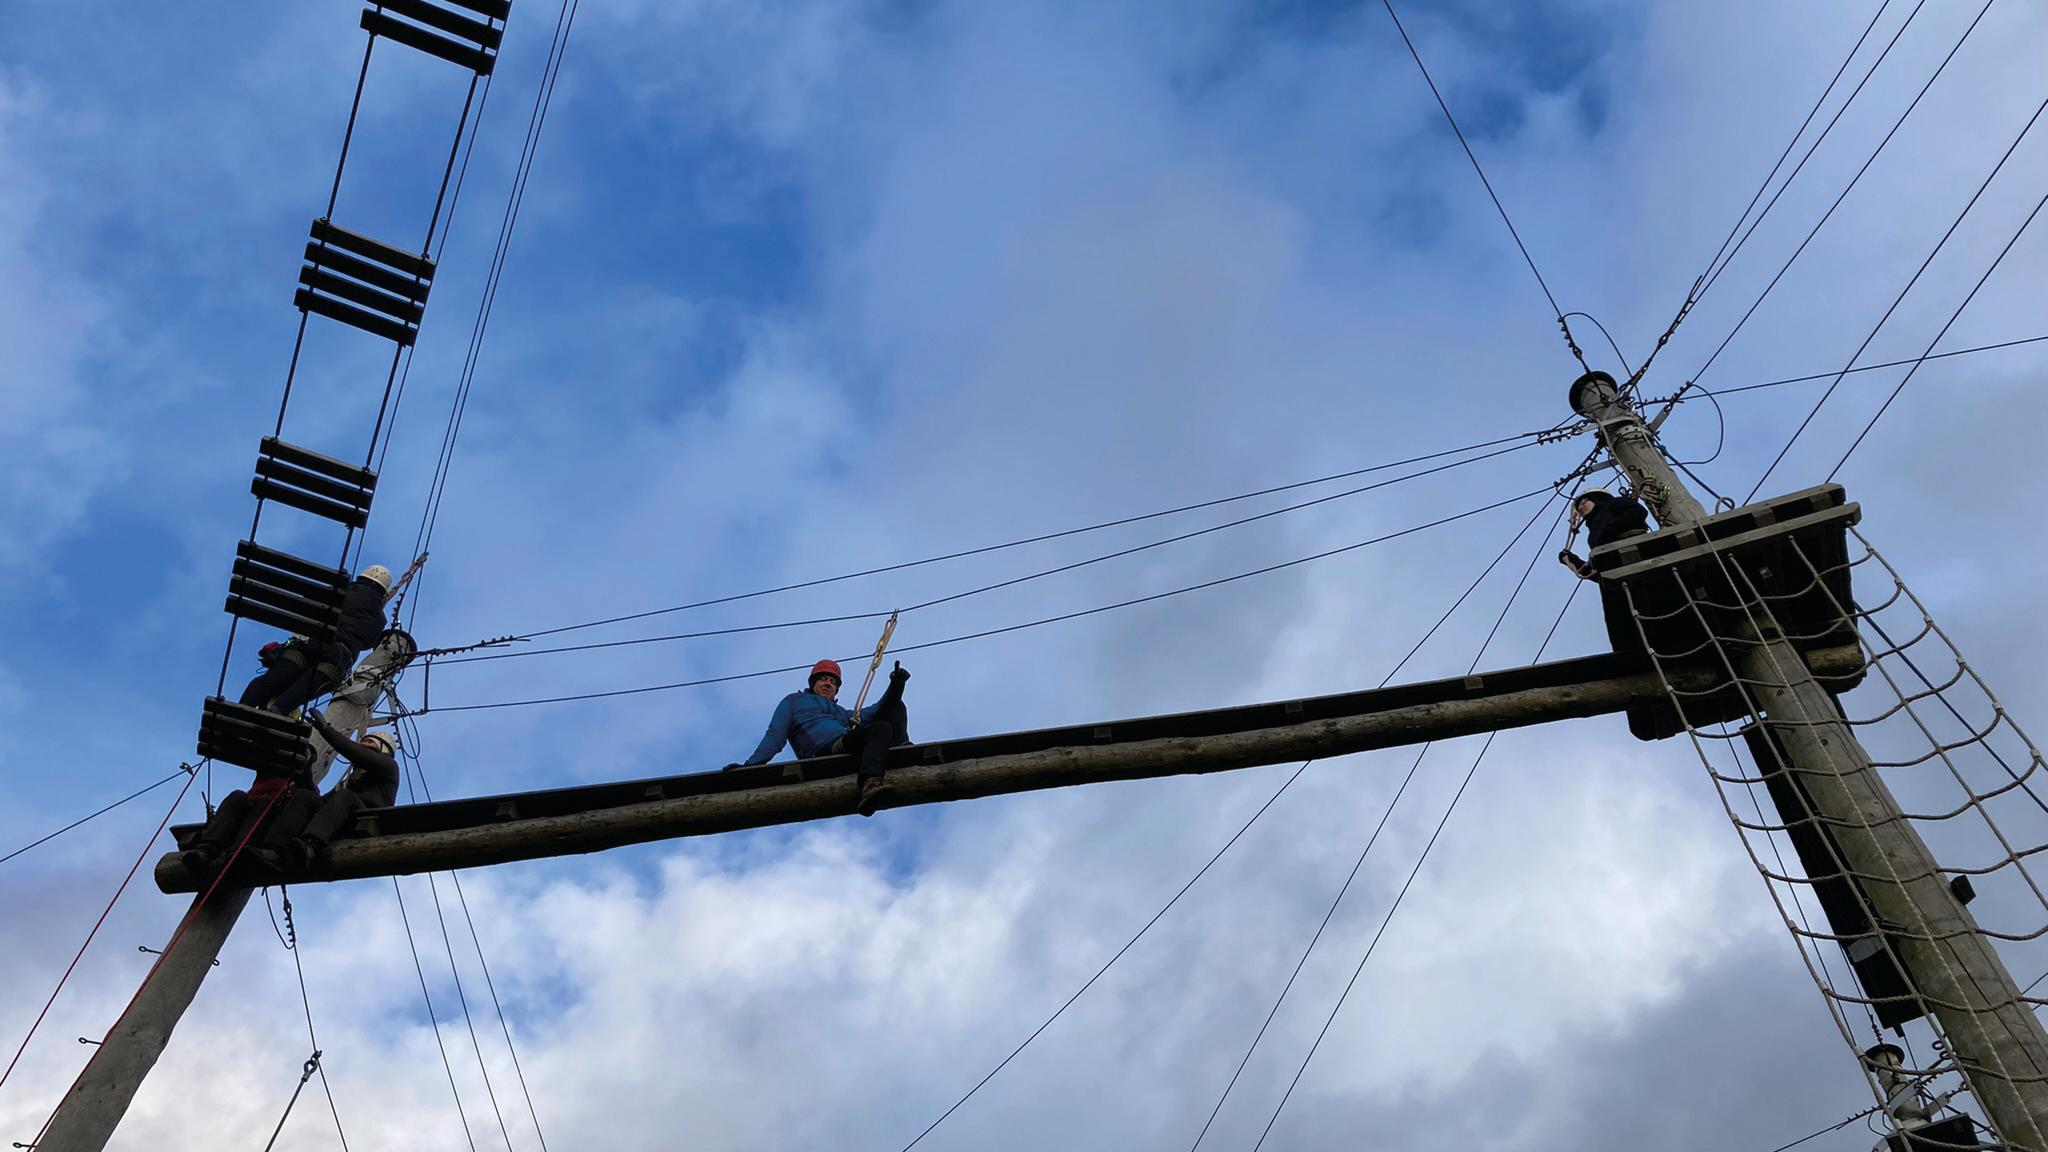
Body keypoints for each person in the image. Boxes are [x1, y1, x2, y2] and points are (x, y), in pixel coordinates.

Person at [731, 658, 912, 816]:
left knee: (895, 707)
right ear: (813, 684)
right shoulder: (794, 701)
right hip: (823, 751)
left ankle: (901, 748)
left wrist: (896, 685)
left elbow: (877, 710)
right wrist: (751, 766)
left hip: (844, 743)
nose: (828, 684)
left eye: (833, 682)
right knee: (879, 729)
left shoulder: (842, 714)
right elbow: (775, 735)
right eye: (823, 679)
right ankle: (870, 782)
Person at [253, 711, 401, 872]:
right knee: (306, 797)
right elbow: (322, 803)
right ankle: (273, 849)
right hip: (339, 820)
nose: (363, 746)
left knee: (345, 796)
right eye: (362, 743)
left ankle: (310, 844)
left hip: (365, 817)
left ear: (384, 750)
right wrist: (306, 771)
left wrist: (325, 729)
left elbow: (353, 751)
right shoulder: (351, 782)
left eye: (370, 744)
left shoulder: (389, 767)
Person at [239, 564, 393, 715]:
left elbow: (310, 600)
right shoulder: (379, 619)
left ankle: (244, 707)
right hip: (337, 657)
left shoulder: (341, 590)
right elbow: (368, 642)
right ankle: (278, 710)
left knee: (273, 679)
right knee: (304, 689)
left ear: (362, 577)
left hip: (308, 643)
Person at [1558, 489, 1653, 580]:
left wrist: (1610, 530)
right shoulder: (1593, 536)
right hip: (1617, 572)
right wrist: (1574, 561)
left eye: (1583, 502)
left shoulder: (1613, 504)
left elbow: (1638, 511)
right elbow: (1599, 574)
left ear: (1596, 498)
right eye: (1578, 508)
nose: (1580, 508)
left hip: (1639, 549)